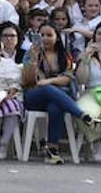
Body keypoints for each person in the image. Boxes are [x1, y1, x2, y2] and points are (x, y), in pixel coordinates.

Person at [22, 23, 85, 163]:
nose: (45, 38)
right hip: (33, 96)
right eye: (42, 35)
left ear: (57, 38)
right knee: (46, 90)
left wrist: (48, 81)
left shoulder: (64, 55)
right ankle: (81, 114)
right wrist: (33, 60)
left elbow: (67, 79)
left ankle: (52, 150)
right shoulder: (30, 53)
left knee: (55, 106)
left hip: (57, 98)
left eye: (49, 35)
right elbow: (28, 81)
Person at [73, 23, 101, 162]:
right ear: (94, 36)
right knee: (82, 112)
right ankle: (96, 141)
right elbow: (81, 80)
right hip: (92, 93)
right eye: (99, 34)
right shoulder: (87, 54)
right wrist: (86, 57)